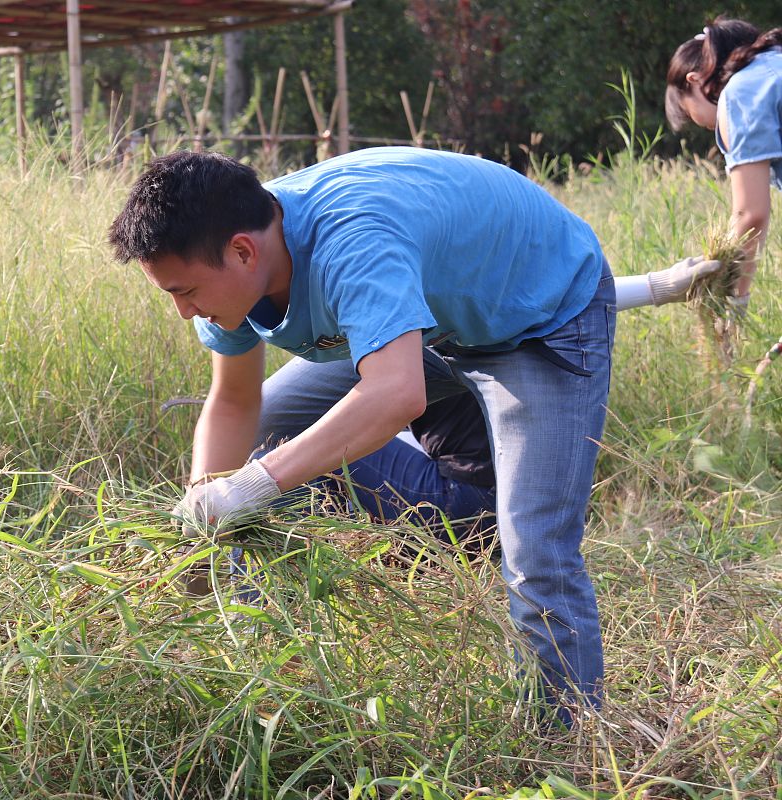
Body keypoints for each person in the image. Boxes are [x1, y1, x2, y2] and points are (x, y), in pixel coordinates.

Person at [108, 146, 710, 725]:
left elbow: (397, 395)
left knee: (535, 551)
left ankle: (567, 738)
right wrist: (203, 515)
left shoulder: (352, 242)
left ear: (242, 252)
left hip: (538, 318)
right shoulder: (241, 271)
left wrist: (252, 485)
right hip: (427, 321)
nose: (184, 312)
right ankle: (269, 671)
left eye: (185, 293)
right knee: (270, 429)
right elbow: (237, 400)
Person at [255, 258, 719, 534]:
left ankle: (269, 604)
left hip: (465, 508)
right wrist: (659, 287)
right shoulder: (475, 302)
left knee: (284, 451)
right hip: (516, 516)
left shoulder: (397, 326)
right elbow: (576, 297)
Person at [665, 17, 781, 303]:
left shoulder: (741, 93)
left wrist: (730, 301)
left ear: (694, 81)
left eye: (692, 114)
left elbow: (750, 215)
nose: (709, 128)